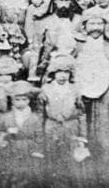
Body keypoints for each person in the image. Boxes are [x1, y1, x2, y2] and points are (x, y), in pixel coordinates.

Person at [74, 8, 109, 187]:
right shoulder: (76, 43)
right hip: (81, 93)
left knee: (105, 135)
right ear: (84, 25)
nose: (96, 27)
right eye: (92, 23)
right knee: (82, 133)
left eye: (99, 23)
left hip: (106, 93)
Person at [39, 56, 89, 187]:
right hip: (52, 128)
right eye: (59, 71)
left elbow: (81, 113)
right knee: (53, 160)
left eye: (66, 72)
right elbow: (40, 114)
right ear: (53, 73)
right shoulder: (46, 89)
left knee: (71, 161)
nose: (62, 76)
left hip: (71, 128)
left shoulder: (75, 89)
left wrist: (82, 136)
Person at [0, 80, 45, 188]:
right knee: (11, 177)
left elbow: (39, 137)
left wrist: (38, 150)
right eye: (17, 99)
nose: (21, 102)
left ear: (29, 101)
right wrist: (4, 136)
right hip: (11, 151)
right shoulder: (6, 117)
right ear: (12, 101)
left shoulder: (35, 118)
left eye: (24, 99)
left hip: (29, 151)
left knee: (30, 177)